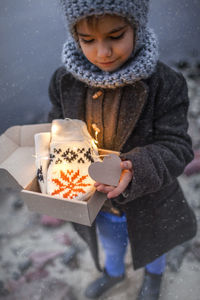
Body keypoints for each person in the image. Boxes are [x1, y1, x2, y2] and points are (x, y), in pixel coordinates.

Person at [47, 1, 197, 299]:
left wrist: (136, 168)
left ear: (137, 28)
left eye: (115, 36)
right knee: (111, 241)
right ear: (74, 35)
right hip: (98, 201)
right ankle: (113, 273)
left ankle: (154, 277)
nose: (102, 52)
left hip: (151, 198)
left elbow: (177, 146)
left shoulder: (165, 84)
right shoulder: (64, 81)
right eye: (87, 40)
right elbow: (55, 124)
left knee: (155, 244)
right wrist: (53, 152)